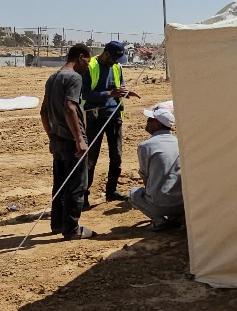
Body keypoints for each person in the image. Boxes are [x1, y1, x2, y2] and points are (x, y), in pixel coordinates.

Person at [39, 44, 96, 240]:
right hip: (71, 140)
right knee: (77, 184)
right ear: (80, 57)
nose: (88, 66)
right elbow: (70, 107)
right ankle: (71, 228)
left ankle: (57, 224)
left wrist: (51, 136)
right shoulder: (74, 78)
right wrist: (79, 139)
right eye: (88, 61)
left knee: (60, 183)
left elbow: (43, 110)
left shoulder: (53, 77)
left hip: (58, 139)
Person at [83, 41, 137, 204]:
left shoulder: (117, 67)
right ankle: (84, 195)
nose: (116, 63)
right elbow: (85, 94)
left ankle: (111, 191)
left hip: (114, 116)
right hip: (94, 117)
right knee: (91, 157)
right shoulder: (90, 66)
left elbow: (119, 87)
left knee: (117, 156)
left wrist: (124, 92)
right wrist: (109, 93)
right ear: (105, 53)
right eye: (114, 59)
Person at [128, 100, 183, 230]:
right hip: (183, 203)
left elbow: (145, 177)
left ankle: (159, 221)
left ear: (158, 124)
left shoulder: (146, 146)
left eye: (150, 120)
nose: (147, 122)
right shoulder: (179, 142)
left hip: (160, 204)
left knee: (134, 193)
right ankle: (178, 218)